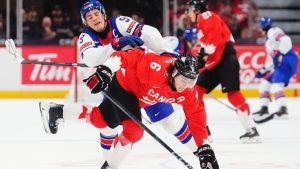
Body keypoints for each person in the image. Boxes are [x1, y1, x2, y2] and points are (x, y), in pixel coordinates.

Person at [38, 0, 217, 168]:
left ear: (103, 14)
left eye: (96, 13)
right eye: (89, 16)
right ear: (85, 21)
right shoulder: (86, 37)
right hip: (115, 77)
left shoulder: (119, 23)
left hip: (145, 77)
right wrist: (113, 47)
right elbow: (92, 59)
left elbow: (149, 33)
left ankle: (200, 154)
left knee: (171, 122)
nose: (94, 17)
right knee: (108, 126)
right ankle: (108, 159)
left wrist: (167, 55)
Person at [84, 48, 218, 169]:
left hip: (151, 95)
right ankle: (110, 165)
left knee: (171, 123)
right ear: (175, 73)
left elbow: (196, 114)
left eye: (191, 81)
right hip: (128, 87)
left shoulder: (187, 89)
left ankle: (199, 152)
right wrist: (107, 68)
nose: (187, 85)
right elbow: (128, 57)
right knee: (119, 127)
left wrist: (204, 146)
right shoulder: (156, 67)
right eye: (184, 80)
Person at [186, 0, 260, 143]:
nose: (188, 13)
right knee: (197, 91)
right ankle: (203, 130)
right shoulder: (201, 25)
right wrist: (203, 58)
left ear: (196, 10)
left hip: (225, 60)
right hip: (214, 64)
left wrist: (205, 53)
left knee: (234, 95)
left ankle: (252, 130)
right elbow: (209, 46)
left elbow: (214, 37)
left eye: (189, 9)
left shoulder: (206, 15)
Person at [252, 16, 298, 122]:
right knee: (265, 83)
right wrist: (263, 69)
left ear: (263, 26)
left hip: (288, 61)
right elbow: (272, 60)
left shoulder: (273, 31)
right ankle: (264, 108)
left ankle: (283, 109)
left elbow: (286, 40)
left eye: (259, 25)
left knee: (276, 85)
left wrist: (280, 52)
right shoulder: (268, 42)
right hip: (282, 63)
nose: (258, 28)